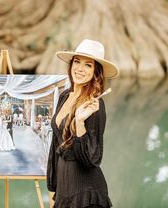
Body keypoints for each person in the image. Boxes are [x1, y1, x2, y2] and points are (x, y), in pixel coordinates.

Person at [46, 39, 119, 208]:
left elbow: (91, 158)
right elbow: (56, 146)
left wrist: (79, 122)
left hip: (87, 195)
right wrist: (53, 190)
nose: (79, 69)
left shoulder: (94, 105)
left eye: (88, 65)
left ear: (96, 72)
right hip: (64, 192)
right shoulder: (65, 96)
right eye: (77, 62)